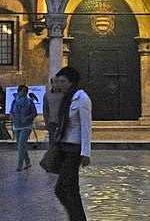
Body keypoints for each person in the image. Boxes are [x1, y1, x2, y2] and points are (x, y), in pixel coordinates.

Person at [52, 66, 91, 221]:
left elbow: (86, 126)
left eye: (62, 81)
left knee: (61, 188)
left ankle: (77, 218)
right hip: (63, 146)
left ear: (71, 82)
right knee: (72, 189)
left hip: (74, 149)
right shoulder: (66, 98)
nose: (59, 84)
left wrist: (86, 153)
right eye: (58, 81)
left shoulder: (82, 98)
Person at [11, 85, 36, 171]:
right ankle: (28, 162)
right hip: (17, 125)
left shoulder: (29, 102)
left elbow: (34, 113)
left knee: (21, 144)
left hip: (26, 126)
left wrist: (27, 118)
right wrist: (13, 117)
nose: (24, 93)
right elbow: (11, 111)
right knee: (21, 145)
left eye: (26, 91)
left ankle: (20, 164)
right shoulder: (14, 101)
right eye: (22, 91)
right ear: (18, 91)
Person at [43, 77, 64, 147]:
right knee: (52, 141)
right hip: (51, 122)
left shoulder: (64, 94)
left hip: (62, 121)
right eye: (55, 82)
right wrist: (46, 122)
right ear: (52, 84)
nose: (58, 84)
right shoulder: (47, 95)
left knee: (62, 141)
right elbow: (45, 109)